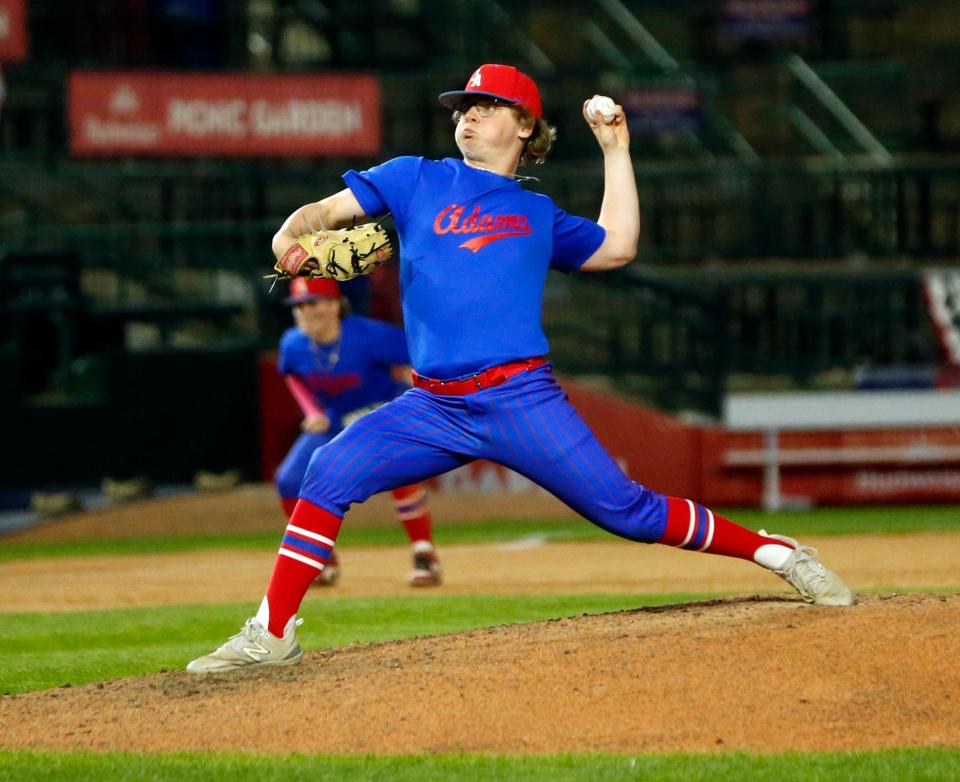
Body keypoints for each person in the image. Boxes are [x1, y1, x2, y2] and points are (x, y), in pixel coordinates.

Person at [187, 63, 853, 674]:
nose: (467, 117)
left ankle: (778, 553)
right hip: (435, 406)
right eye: (463, 107)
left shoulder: (537, 214)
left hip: (520, 399)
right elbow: (324, 214)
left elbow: (618, 246)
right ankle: (273, 632)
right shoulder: (414, 176)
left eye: (485, 106)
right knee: (329, 469)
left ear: (525, 125)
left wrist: (616, 148)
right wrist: (289, 235)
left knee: (630, 513)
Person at [273, 276, 441, 587]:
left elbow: (421, 355)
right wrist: (312, 411)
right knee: (288, 480)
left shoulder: (369, 336)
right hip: (336, 419)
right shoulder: (294, 343)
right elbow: (291, 375)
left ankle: (425, 555)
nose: (307, 312)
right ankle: (319, 560)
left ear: (336, 304)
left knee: (399, 468)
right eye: (300, 306)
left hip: (381, 411)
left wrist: (417, 391)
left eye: (314, 303)